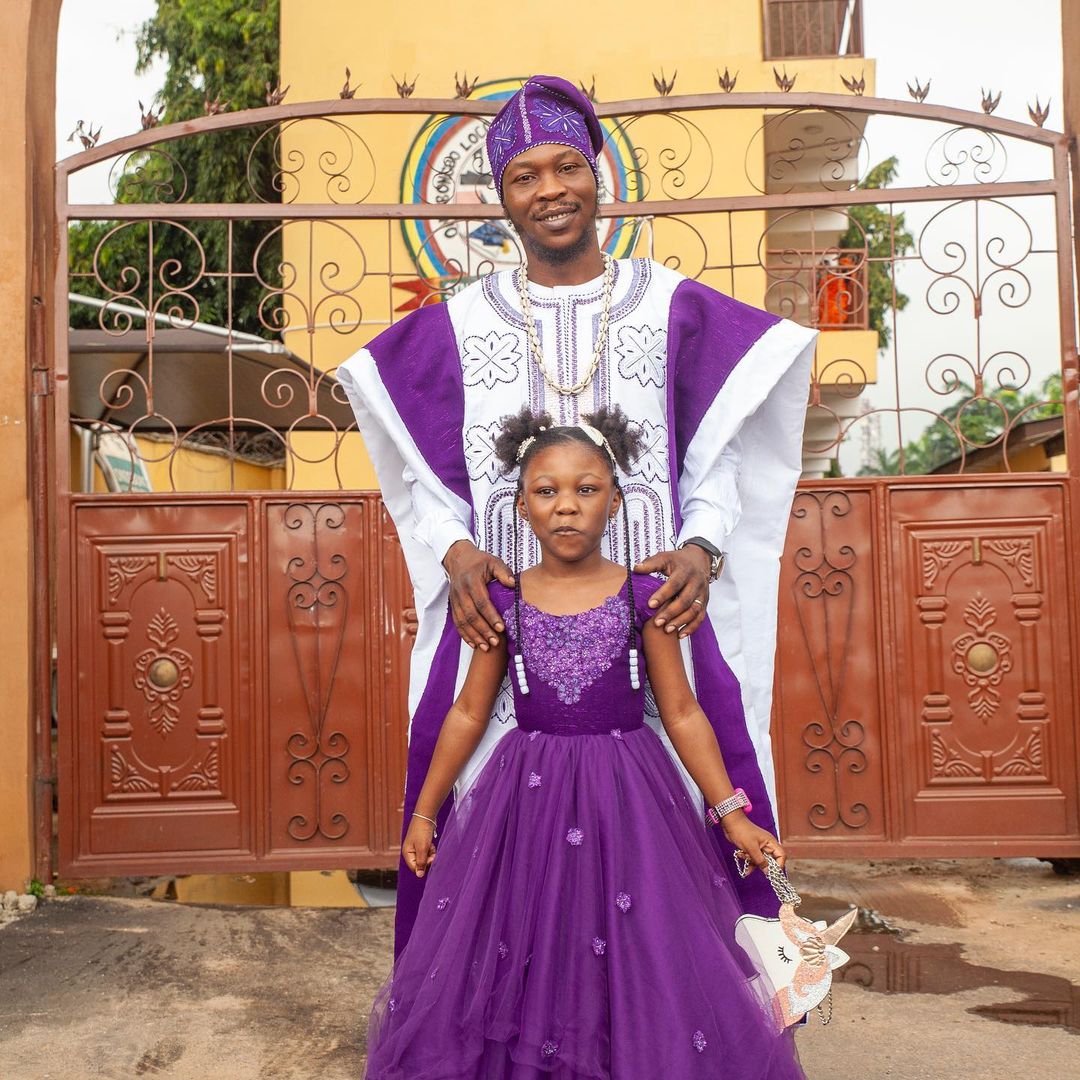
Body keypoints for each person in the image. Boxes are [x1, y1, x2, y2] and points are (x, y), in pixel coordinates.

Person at [336, 74, 818, 957]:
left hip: (660, 622)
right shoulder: (454, 325)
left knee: (684, 848)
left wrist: (703, 548)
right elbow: (420, 481)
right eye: (523, 176)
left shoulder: (674, 308)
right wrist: (452, 552)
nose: (549, 189)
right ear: (502, 197)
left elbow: (719, 457)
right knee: (499, 870)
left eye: (567, 166)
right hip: (505, 633)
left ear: (599, 173)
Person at [361, 407, 806, 1079]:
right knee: (531, 943)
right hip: (526, 801)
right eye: (548, 492)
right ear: (521, 506)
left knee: (637, 944)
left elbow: (681, 712)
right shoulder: (503, 600)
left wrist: (732, 814)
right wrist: (425, 814)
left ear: (615, 501)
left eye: (586, 489)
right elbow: (467, 714)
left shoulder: (643, 597)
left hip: (629, 800)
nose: (566, 507)